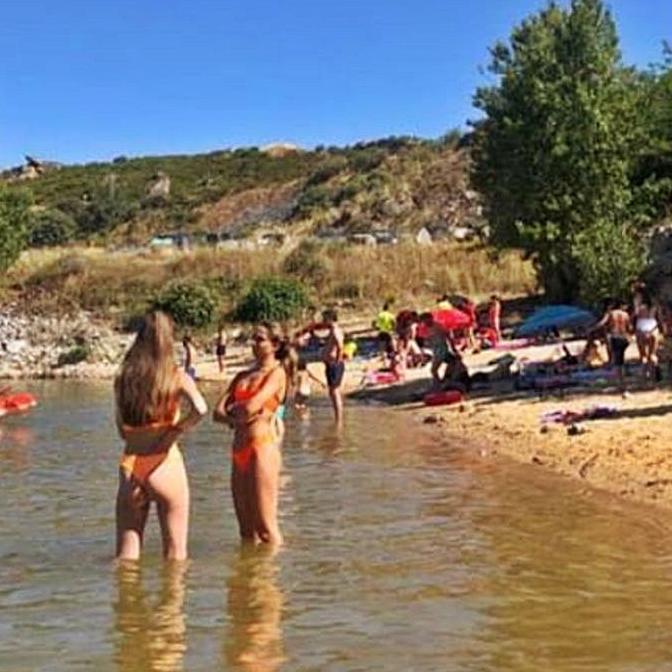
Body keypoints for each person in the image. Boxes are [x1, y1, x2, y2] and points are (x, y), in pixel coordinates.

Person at [115, 311, 208, 561]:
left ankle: (128, 600)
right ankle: (172, 601)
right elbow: (200, 408)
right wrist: (177, 429)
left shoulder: (125, 378)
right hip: (165, 462)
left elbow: (121, 430)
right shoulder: (175, 375)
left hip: (132, 465)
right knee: (175, 555)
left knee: (126, 557)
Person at [213, 323, 288, 545]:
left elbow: (250, 406)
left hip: (261, 446)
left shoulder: (277, 373)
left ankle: (271, 577)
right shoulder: (241, 376)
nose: (254, 344)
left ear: (274, 344)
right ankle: (249, 578)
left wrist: (237, 411)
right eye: (253, 339)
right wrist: (237, 416)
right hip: (239, 449)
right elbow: (217, 412)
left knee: (266, 527)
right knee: (246, 531)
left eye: (259, 339)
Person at [296, 309, 345, 424]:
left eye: (324, 318)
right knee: (333, 392)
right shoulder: (333, 330)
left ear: (329, 319)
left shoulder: (336, 330)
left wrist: (337, 360)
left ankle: (339, 419)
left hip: (334, 364)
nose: (323, 321)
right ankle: (338, 418)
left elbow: (340, 346)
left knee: (334, 392)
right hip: (331, 363)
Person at [596, 299, 632, 393]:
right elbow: (629, 327)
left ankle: (620, 383)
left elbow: (602, 323)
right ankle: (623, 382)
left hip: (615, 337)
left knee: (617, 361)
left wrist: (592, 328)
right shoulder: (625, 314)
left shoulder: (610, 313)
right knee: (621, 360)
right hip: (624, 338)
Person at [420, 313, 456, 389]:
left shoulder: (438, 326)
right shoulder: (426, 328)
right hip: (435, 350)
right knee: (451, 362)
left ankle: (439, 384)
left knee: (433, 370)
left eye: (425, 320)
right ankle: (444, 380)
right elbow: (428, 340)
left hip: (441, 349)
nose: (425, 322)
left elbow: (448, 335)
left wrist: (453, 348)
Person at [634, 296, 660, 381]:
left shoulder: (640, 307)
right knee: (652, 354)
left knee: (643, 356)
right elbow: (660, 319)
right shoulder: (655, 307)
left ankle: (645, 376)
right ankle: (655, 375)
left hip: (641, 327)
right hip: (653, 327)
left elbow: (634, 316)